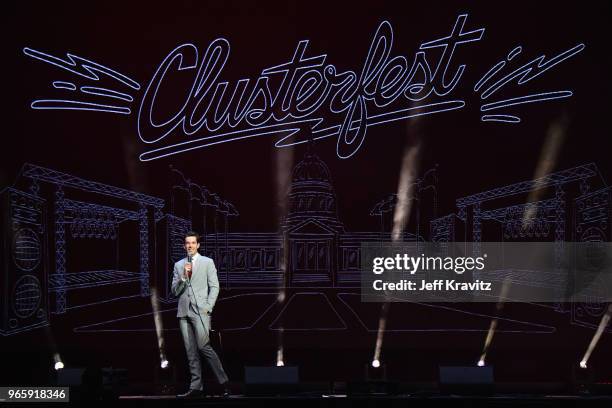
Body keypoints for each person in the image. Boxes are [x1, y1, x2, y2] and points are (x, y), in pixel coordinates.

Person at [171, 231, 230, 398]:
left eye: (192, 243)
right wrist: (183, 277)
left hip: (201, 311)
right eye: (187, 243)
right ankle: (196, 387)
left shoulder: (207, 262)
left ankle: (224, 382)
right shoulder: (179, 265)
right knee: (190, 351)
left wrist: (208, 307)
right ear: (184, 246)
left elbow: (215, 286)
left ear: (198, 245)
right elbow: (174, 291)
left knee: (204, 347)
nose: (190, 245)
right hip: (183, 312)